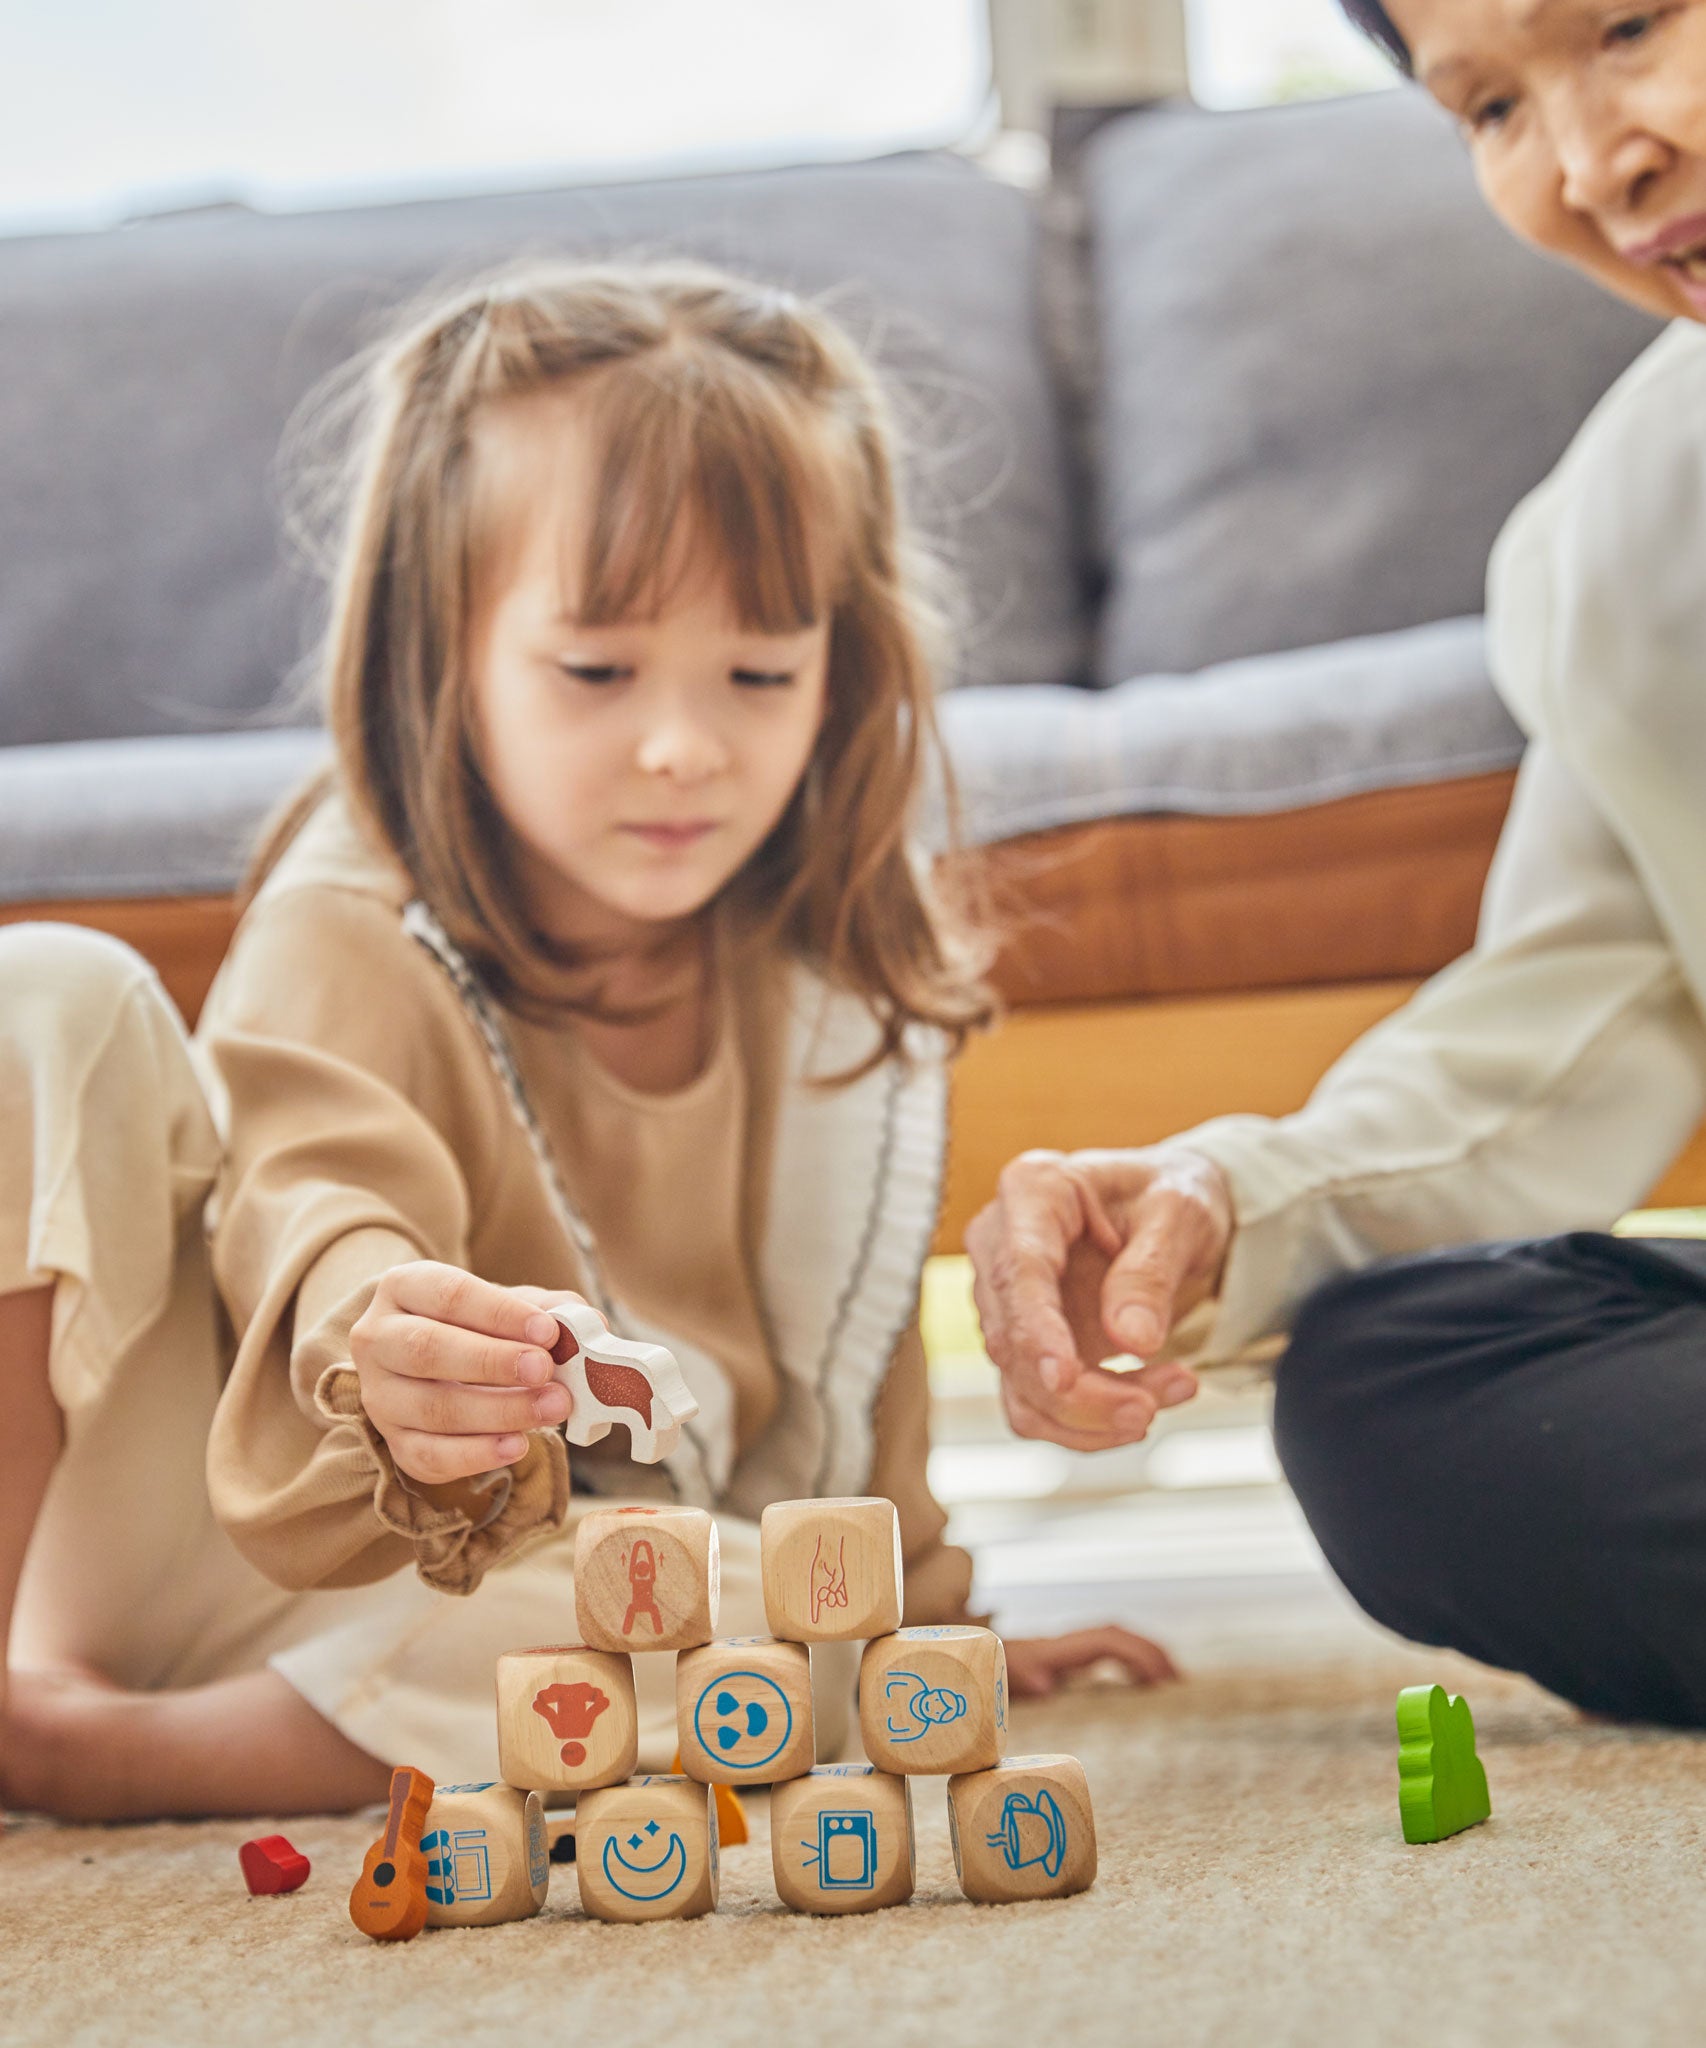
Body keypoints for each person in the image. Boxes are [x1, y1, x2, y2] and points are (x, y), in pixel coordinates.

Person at [0, 260, 1171, 1824]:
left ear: (843, 664)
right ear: (446, 652)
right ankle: (55, 1721)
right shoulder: (355, 916)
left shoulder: (827, 971)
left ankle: (115, 1743)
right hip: (236, 1512)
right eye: (596, 671)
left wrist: (922, 1627)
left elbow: (855, 1380)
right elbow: (309, 1205)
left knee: (775, 1627)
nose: (684, 745)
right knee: (44, 998)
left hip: (498, 1590)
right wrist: (391, 1352)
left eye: (760, 673)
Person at [967, 0, 1706, 1726]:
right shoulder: (1617, 550)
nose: (1594, 162)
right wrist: (1213, 1203)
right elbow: (1551, 1033)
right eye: (1492, 106)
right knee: (1398, 1390)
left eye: (1628, 24)